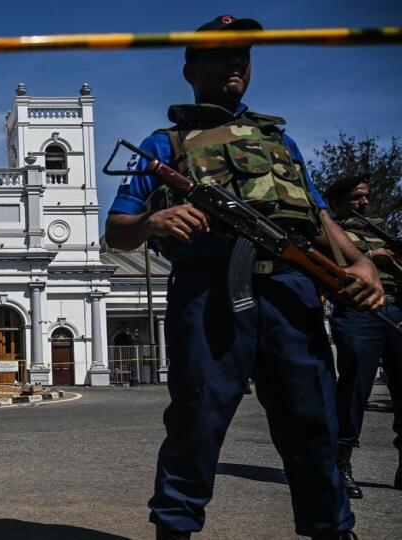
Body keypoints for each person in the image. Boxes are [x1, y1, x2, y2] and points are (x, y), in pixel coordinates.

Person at [104, 15, 385, 540]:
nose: (235, 63)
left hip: (290, 291)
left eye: (243, 55)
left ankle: (332, 529)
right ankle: (175, 529)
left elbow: (317, 217)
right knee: (196, 423)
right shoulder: (166, 144)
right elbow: (116, 231)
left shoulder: (282, 142)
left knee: (313, 423)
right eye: (219, 54)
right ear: (191, 70)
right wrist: (153, 221)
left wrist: (359, 263)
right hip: (210, 293)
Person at [325, 174, 402, 498]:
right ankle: (342, 463)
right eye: (358, 197)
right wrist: (371, 258)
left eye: (367, 197)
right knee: (355, 388)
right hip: (359, 312)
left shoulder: (374, 229)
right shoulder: (327, 231)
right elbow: (323, 267)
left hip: (397, 307)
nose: (365, 203)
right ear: (341, 199)